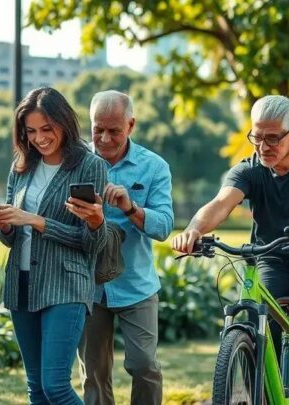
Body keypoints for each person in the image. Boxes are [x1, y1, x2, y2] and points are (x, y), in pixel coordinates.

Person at [171, 95, 289, 405]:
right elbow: (221, 204)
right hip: (275, 258)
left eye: (272, 138)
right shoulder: (249, 169)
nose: (263, 146)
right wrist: (194, 229)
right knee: (260, 322)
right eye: (256, 137)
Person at [0, 87, 107, 405]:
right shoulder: (21, 167)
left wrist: (37, 221)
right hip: (22, 284)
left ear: (64, 123)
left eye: (46, 129)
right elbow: (12, 239)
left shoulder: (90, 166)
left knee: (55, 386)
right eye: (31, 131)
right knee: (36, 389)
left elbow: (89, 242)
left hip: (66, 284)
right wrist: (6, 225)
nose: (39, 138)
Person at [78, 90, 174, 405]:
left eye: (114, 130)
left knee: (144, 365)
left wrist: (131, 208)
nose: (104, 138)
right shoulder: (75, 162)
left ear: (130, 125)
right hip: (88, 285)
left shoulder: (154, 166)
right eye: (97, 129)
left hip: (137, 285)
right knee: (93, 372)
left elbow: (163, 226)